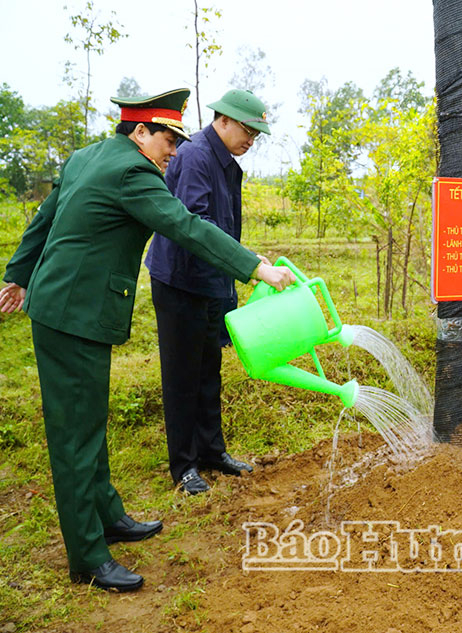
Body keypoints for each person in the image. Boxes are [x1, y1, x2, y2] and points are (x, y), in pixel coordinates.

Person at [0, 89, 296, 592]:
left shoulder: (89, 155)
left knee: (88, 424)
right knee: (74, 438)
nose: (174, 152)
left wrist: (18, 273)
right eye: (168, 140)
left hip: (68, 307)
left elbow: (43, 219)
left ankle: (108, 516)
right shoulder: (134, 173)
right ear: (140, 132)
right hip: (73, 314)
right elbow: (185, 225)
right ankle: (88, 555)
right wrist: (255, 267)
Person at [144, 89, 271, 495]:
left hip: (212, 281)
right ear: (223, 120)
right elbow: (193, 225)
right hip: (181, 281)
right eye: (247, 130)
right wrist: (246, 262)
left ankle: (212, 452)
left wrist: (242, 258)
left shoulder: (225, 161)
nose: (251, 139)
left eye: (256, 134)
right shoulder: (196, 156)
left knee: (207, 371)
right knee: (182, 375)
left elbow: (222, 226)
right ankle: (184, 466)